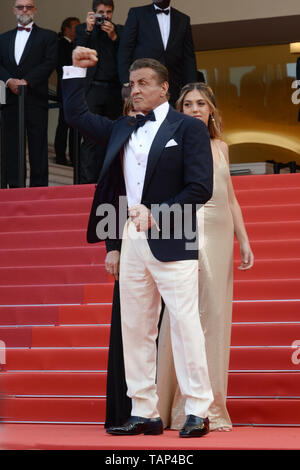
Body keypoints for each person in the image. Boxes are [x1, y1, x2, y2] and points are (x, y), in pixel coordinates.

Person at [62, 48, 214, 438]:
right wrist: (76, 72)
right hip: (131, 238)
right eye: (132, 84)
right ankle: (144, 410)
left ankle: (198, 409)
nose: (136, 90)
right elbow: (76, 116)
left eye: (144, 83)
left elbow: (200, 187)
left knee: (184, 326)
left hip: (173, 237)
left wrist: (158, 212)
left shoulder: (188, 128)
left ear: (165, 88)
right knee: (135, 327)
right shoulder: (122, 127)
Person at [156, 82, 254, 432]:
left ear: (212, 109)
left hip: (218, 232)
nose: (195, 108)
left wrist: (243, 240)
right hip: (188, 230)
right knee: (185, 312)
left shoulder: (221, 147)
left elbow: (230, 198)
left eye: (201, 103)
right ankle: (181, 406)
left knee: (215, 313)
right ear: (179, 110)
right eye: (188, 104)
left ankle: (211, 404)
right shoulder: (171, 144)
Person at [0, 0, 57, 188]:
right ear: (14, 10)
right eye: (20, 7)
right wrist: (10, 81)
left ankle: (39, 191)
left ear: (35, 9)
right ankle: (14, 188)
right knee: (12, 145)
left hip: (35, 98)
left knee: (38, 146)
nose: (24, 10)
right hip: (10, 99)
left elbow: (49, 62)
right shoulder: (3, 38)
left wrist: (27, 81)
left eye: (28, 6)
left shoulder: (48, 36)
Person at [74, 0, 123, 183]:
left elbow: (126, 56)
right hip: (93, 89)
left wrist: (114, 37)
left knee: (113, 139)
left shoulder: (120, 31)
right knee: (90, 139)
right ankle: (87, 183)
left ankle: (110, 181)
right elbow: (77, 53)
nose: (105, 16)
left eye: (108, 12)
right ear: (93, 13)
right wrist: (88, 29)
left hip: (114, 91)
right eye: (101, 12)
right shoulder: (82, 29)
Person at [118, 0, 197, 106]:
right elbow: (125, 50)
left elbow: (188, 58)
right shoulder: (137, 14)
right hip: (143, 86)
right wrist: (126, 83)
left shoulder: (183, 19)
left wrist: (191, 89)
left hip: (173, 89)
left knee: (171, 121)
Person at [54, 17, 80, 166]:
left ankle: (74, 156)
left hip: (76, 90)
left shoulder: (76, 45)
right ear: (67, 29)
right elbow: (61, 66)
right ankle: (60, 156)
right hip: (65, 89)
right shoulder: (60, 44)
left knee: (75, 125)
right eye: (75, 27)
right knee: (63, 124)